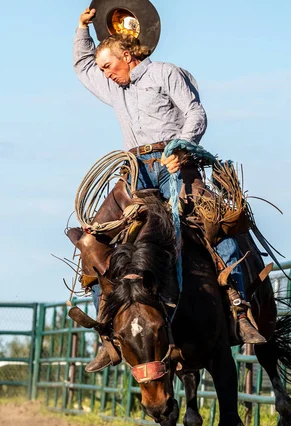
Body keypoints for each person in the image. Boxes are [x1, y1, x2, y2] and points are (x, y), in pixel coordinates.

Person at [73, 7, 266, 371]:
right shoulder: (116, 88)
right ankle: (107, 330)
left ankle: (239, 309)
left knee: (216, 225)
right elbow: (83, 67)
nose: (105, 73)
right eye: (103, 69)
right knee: (91, 240)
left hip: (175, 161)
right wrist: (82, 29)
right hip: (134, 172)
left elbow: (196, 113)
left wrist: (181, 146)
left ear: (127, 56)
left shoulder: (165, 74)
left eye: (108, 66)